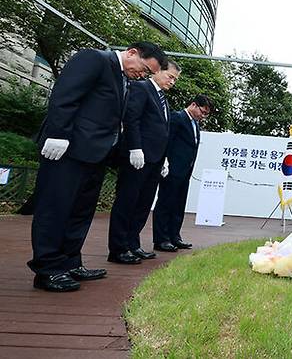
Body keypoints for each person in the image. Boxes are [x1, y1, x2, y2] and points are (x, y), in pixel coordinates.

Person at [28, 42, 168, 292]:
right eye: (145, 69)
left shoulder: (124, 78)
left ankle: (70, 262)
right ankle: (47, 269)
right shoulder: (94, 59)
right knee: (56, 209)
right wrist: (59, 133)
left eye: (148, 74)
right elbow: (65, 94)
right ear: (132, 53)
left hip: (96, 155)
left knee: (80, 212)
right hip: (68, 150)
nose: (143, 75)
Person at [107, 60, 181, 264]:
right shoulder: (141, 88)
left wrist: (164, 158)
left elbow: (163, 131)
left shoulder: (163, 98)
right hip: (137, 157)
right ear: (158, 71)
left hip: (156, 160)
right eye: (170, 76)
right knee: (127, 201)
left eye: (175, 79)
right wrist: (134, 147)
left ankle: (133, 243)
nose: (172, 82)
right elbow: (132, 119)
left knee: (143, 203)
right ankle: (118, 248)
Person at [152, 95, 212, 252]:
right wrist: (164, 161)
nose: (203, 116)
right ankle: (161, 239)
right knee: (165, 203)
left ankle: (174, 236)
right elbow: (167, 141)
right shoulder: (177, 118)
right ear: (193, 105)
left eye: (206, 114)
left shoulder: (195, 124)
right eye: (203, 112)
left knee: (178, 204)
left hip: (185, 171)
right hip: (172, 170)